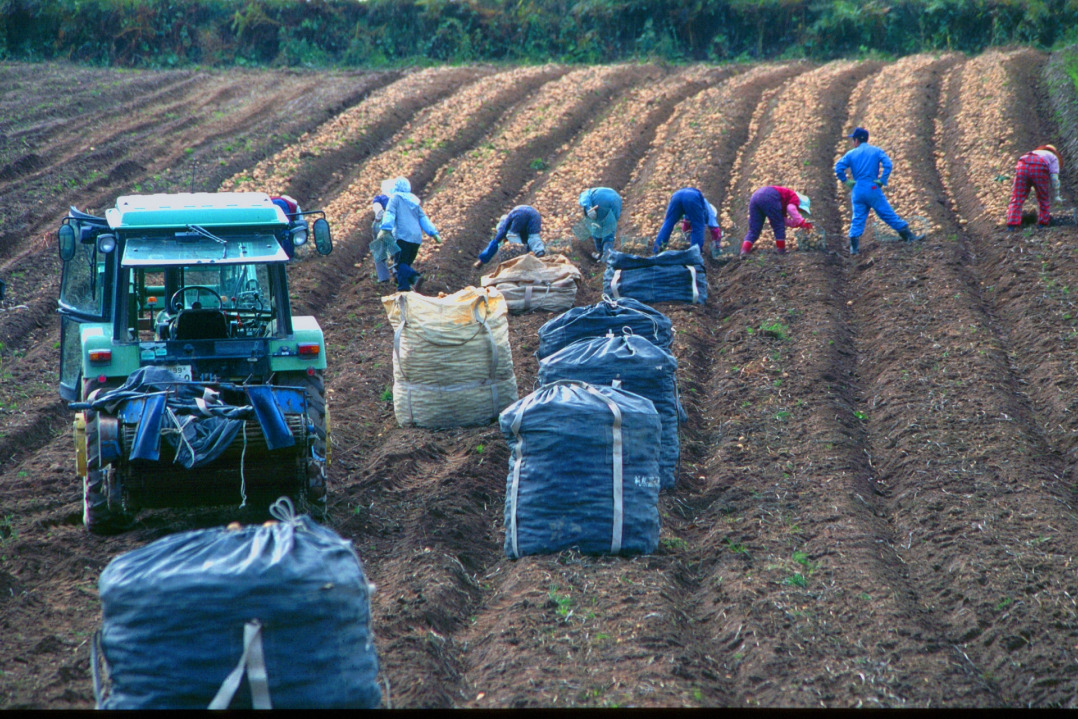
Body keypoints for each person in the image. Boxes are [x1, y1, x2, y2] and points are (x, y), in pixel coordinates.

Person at [835, 126, 925, 255]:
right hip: (872, 187)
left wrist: (846, 181)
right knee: (886, 213)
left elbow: (838, 168)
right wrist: (882, 180)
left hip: (858, 189)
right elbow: (888, 164)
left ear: (856, 141)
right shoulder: (876, 151)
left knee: (858, 218)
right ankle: (908, 236)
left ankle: (854, 249)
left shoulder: (851, 154)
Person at [379, 177, 440, 292]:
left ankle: (415, 277)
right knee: (404, 265)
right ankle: (403, 289)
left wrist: (385, 228)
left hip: (402, 237)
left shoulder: (395, 198)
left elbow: (390, 213)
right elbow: (423, 218)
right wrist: (433, 233)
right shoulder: (414, 201)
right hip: (416, 239)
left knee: (399, 265)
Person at [739, 186, 812, 257]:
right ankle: (781, 251)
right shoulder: (794, 197)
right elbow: (791, 209)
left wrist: (795, 224)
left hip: (755, 197)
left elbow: (783, 219)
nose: (799, 210)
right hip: (769, 196)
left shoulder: (784, 202)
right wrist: (802, 222)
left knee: (754, 228)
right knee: (778, 226)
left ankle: (744, 251)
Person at [1006, 144, 1063, 230]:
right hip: (1039, 166)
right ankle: (1042, 223)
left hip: (1023, 164)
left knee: (1017, 197)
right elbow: (1055, 180)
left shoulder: (1033, 153)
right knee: (1043, 197)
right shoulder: (1053, 158)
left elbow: (1018, 179)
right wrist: (1057, 196)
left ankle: (1011, 225)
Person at [474, 205, 545, 268]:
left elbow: (494, 243)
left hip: (519, 213)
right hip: (535, 214)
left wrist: (482, 260)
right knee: (533, 236)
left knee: (512, 235)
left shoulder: (503, 227)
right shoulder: (521, 230)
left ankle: (520, 255)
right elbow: (529, 242)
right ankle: (539, 253)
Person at [652, 187, 718, 254]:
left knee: (668, 223)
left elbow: (685, 225)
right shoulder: (711, 212)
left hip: (676, 195)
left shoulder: (699, 208)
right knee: (698, 226)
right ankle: (695, 253)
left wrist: (688, 238)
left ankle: (657, 250)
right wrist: (717, 246)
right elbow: (715, 229)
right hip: (692, 196)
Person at [578, 187, 622, 260]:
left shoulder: (585, 194)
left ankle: (601, 253)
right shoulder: (594, 191)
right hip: (617, 200)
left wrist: (588, 208)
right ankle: (607, 254)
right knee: (609, 228)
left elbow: (584, 198)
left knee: (596, 228)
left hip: (601, 202)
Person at [369, 193, 398, 283]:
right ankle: (397, 272)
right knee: (396, 248)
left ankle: (383, 278)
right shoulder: (398, 199)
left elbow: (378, 210)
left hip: (379, 224)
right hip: (392, 223)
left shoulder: (378, 198)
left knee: (379, 251)